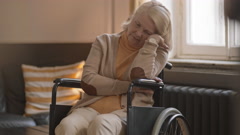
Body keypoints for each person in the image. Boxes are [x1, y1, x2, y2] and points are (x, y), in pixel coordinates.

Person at [55, 1, 172, 135]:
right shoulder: (104, 42)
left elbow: (139, 76)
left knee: (101, 123)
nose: (139, 33)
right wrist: (127, 86)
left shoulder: (157, 53)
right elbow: (88, 81)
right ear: (131, 18)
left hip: (127, 113)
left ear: (157, 35)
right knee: (66, 126)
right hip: (89, 108)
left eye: (147, 32)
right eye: (137, 24)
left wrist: (151, 43)